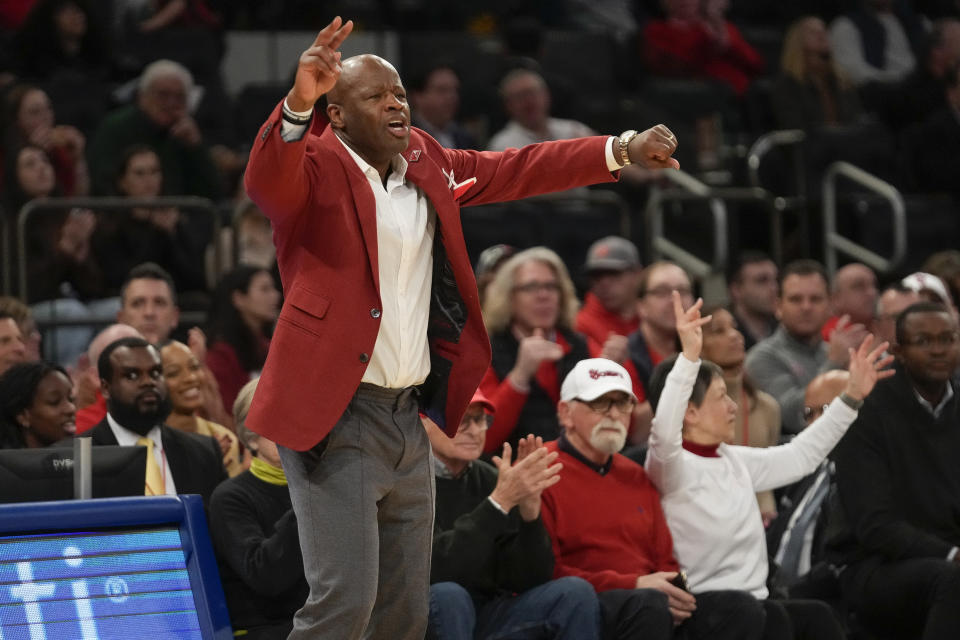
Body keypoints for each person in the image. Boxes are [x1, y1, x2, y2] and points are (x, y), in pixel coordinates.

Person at [242, 15, 680, 640]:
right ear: (336, 115)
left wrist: (619, 148)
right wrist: (296, 103)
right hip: (333, 411)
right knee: (344, 603)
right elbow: (266, 183)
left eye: (400, 93)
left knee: (403, 611)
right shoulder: (313, 165)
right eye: (376, 96)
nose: (396, 104)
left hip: (406, 414)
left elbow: (518, 167)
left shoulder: (426, 158)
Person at [646, 292, 891, 639]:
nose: (733, 406)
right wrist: (688, 358)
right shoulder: (669, 467)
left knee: (816, 617)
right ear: (690, 411)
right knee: (759, 614)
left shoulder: (735, 460)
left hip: (754, 603)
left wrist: (850, 398)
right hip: (701, 608)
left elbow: (801, 456)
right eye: (721, 397)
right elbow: (663, 430)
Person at [541, 357, 766, 640]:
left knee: (741, 609)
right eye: (600, 403)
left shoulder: (636, 476)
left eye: (623, 404)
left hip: (651, 601)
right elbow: (544, 574)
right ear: (565, 413)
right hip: (587, 606)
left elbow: (665, 559)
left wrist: (672, 592)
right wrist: (633, 584)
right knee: (648, 606)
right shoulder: (540, 471)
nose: (613, 414)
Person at [829, 301, 960, 639]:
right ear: (900, 351)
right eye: (924, 341)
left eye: (947, 339)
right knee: (952, 580)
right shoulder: (867, 411)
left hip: (949, 552)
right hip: (873, 563)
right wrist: (951, 554)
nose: (938, 351)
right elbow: (876, 526)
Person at [426, 389, 601, 639]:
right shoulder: (408, 480)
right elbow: (435, 569)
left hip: (488, 612)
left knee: (575, 592)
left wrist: (530, 511)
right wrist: (498, 503)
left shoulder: (492, 478)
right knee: (450, 596)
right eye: (462, 419)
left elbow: (529, 579)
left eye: (480, 420)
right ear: (424, 421)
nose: (475, 431)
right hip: (426, 611)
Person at [208, 378, 308, 639]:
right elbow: (266, 576)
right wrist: (307, 500)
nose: (292, 430)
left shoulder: (321, 486)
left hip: (324, 620)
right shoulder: (230, 497)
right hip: (265, 628)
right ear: (251, 438)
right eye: (279, 421)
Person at [78, 336, 226, 502]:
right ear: (105, 388)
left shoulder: (203, 453)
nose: (148, 382)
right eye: (132, 375)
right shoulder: (79, 458)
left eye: (155, 373)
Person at [479, 247, 589, 454]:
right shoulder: (487, 350)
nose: (543, 295)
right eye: (530, 287)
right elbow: (483, 439)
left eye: (551, 286)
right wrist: (519, 376)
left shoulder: (579, 345)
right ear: (509, 297)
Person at [745, 260, 863, 435]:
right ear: (778, 306)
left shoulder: (837, 352)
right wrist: (834, 364)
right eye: (795, 299)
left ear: (830, 304)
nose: (806, 307)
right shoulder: (762, 357)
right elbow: (790, 416)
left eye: (815, 299)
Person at [87, 59, 221, 198]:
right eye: (163, 95)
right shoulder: (116, 127)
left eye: (179, 97)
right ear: (142, 97)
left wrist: (196, 148)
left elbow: (213, 194)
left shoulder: (188, 134)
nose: (171, 103)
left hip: (179, 215)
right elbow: (101, 184)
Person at [701, 305, 781, 525]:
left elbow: (767, 476)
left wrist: (765, 505)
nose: (735, 335)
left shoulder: (768, 407)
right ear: (696, 346)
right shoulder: (685, 410)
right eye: (719, 331)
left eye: (734, 327)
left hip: (761, 523)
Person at [93, 144, 207, 295]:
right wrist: (158, 235)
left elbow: (196, 279)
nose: (149, 180)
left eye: (154, 172)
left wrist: (172, 235)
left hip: (176, 300)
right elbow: (122, 279)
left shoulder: (175, 220)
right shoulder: (110, 226)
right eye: (139, 173)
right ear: (122, 182)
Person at [622, 261, 693, 442]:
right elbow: (635, 432)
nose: (674, 300)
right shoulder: (625, 355)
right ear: (641, 306)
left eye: (683, 291)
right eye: (662, 292)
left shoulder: (705, 347)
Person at [642, 0, 764, 96]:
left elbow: (755, 64)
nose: (684, 1)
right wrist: (708, 33)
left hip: (746, 100)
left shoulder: (723, 27)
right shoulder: (656, 31)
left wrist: (722, 35)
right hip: (701, 99)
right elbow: (681, 63)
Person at [160, 340, 244, 476]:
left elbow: (226, 496)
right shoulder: (149, 441)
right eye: (173, 373)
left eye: (194, 367)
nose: (191, 378)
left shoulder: (222, 437)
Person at [205, 265, 278, 415]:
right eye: (265, 289)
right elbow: (225, 412)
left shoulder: (269, 346)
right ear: (239, 298)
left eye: (273, 288)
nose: (275, 295)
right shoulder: (221, 354)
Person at [773, 16, 864, 131]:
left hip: (847, 143)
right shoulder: (788, 84)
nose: (821, 35)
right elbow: (794, 126)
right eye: (813, 32)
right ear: (798, 42)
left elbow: (855, 119)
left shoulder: (843, 81)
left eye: (824, 30)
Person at [3, 83, 89, 196]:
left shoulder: (59, 151)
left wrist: (78, 159)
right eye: (35, 112)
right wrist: (33, 152)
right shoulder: (5, 155)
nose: (46, 117)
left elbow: (79, 198)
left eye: (48, 108)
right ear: (17, 121)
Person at [487, 69, 595, 152]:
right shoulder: (502, 146)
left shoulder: (573, 129)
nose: (529, 102)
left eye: (533, 93)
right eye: (520, 96)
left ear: (547, 95)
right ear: (508, 105)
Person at [828, 0, 923, 88]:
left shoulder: (913, 22)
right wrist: (897, 83)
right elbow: (853, 72)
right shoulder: (845, 25)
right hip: (881, 96)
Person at [574, 235, 642, 359]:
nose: (604, 283)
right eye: (596, 276)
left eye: (614, 273)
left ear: (637, 274)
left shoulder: (651, 316)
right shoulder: (580, 325)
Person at [73, 322, 144, 433]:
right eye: (130, 372)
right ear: (96, 376)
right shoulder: (82, 427)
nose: (146, 380)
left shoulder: (169, 415)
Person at [0, 361, 75, 449]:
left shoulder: (84, 457)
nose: (71, 408)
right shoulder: (7, 462)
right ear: (23, 416)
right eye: (54, 402)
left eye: (71, 399)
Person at [409, 64, 477, 149]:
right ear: (417, 97)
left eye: (455, 90)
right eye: (442, 90)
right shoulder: (403, 138)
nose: (452, 97)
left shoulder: (465, 139)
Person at [727, 251, 778, 351]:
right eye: (762, 280)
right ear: (736, 290)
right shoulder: (726, 337)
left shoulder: (785, 330)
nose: (774, 288)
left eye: (775, 279)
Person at [821, 262, 877, 342]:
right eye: (859, 286)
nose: (872, 293)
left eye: (873, 285)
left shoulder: (885, 328)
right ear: (836, 299)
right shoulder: (829, 337)